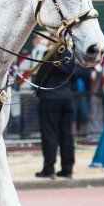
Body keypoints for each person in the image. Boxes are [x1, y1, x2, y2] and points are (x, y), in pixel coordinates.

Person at [34, 47, 76, 179]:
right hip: (67, 96)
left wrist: (39, 91)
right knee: (67, 134)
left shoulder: (51, 54)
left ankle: (49, 168)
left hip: (50, 97)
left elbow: (42, 76)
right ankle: (67, 169)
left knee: (49, 134)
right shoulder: (71, 55)